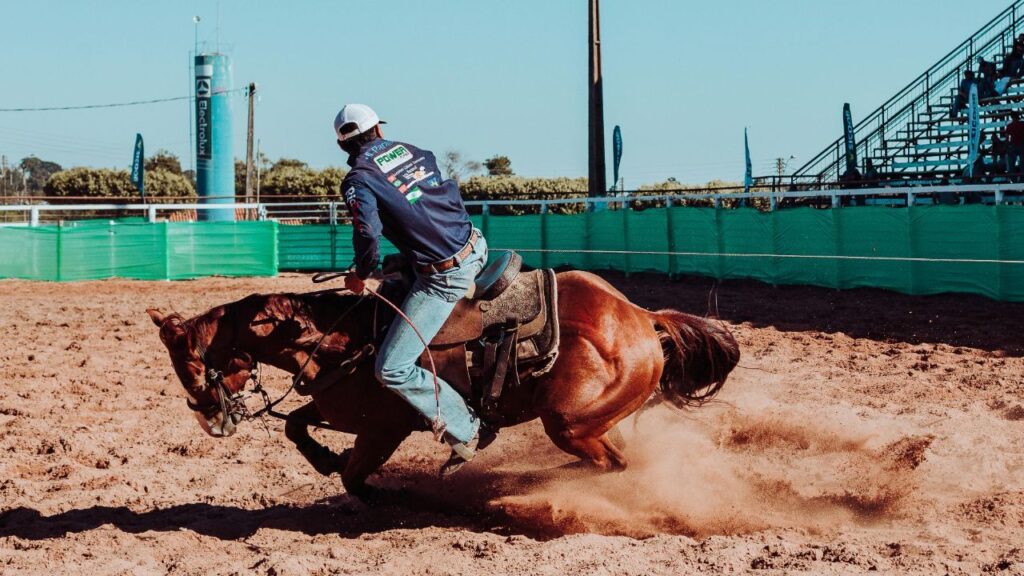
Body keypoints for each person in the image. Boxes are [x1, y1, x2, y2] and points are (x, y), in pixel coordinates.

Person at [333, 103, 492, 475]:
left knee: (391, 367)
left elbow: (368, 232)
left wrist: (361, 273)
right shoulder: (415, 152)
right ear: (380, 130)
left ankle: (467, 429)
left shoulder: (357, 179)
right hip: (476, 243)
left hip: (444, 276)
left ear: (343, 146)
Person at [1005, 112, 1024, 177]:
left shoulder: (1009, 125)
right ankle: (1022, 177)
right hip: (1022, 144)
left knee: (1011, 163)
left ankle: (1012, 177)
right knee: (1022, 163)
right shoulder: (1022, 124)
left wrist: (1007, 146)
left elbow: (1007, 137)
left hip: (1013, 145)